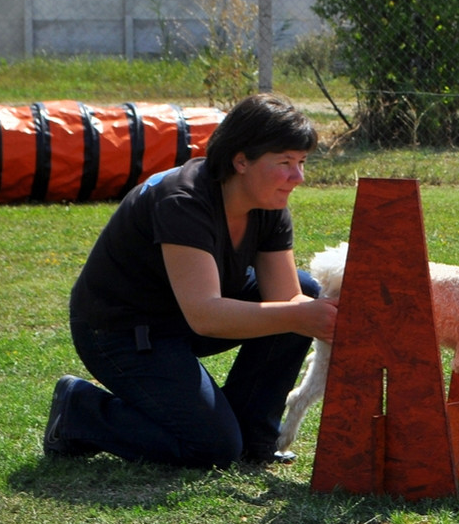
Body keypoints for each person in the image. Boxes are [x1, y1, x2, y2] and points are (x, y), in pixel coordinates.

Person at [43, 94, 338, 468]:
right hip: (121, 332)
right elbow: (206, 316)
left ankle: (254, 435)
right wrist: (305, 316)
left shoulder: (268, 204)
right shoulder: (183, 200)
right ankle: (79, 411)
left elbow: (288, 298)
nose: (298, 177)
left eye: (301, 162)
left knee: (306, 295)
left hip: (183, 318)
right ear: (240, 161)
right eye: (285, 163)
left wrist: (330, 314)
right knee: (210, 448)